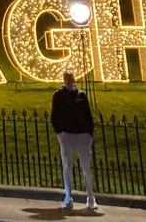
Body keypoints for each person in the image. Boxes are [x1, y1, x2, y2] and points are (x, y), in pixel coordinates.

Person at [51, 70, 97, 210]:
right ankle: (68, 197)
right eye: (67, 78)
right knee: (67, 166)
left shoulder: (81, 95)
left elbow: (88, 115)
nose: (69, 81)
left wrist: (89, 133)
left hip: (82, 135)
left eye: (71, 78)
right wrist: (59, 132)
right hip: (67, 134)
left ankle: (90, 197)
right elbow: (54, 115)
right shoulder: (58, 95)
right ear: (64, 79)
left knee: (86, 167)